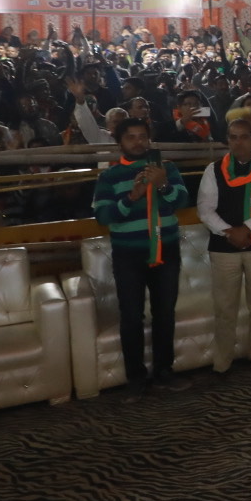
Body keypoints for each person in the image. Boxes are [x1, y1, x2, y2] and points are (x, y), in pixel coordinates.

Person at [91, 117, 189, 391]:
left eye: (142, 136)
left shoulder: (166, 168)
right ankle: (135, 377)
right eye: (131, 137)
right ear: (119, 142)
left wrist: (162, 185)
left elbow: (181, 201)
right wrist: (131, 198)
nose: (138, 142)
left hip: (166, 250)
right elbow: (103, 215)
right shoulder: (108, 176)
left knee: (165, 313)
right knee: (132, 316)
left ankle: (164, 370)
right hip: (129, 255)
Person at [196, 116, 251, 373]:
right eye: (233, 137)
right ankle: (223, 359)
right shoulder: (214, 170)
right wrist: (229, 232)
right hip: (224, 248)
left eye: (244, 136)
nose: (239, 142)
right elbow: (205, 209)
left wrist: (246, 229)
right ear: (227, 141)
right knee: (225, 307)